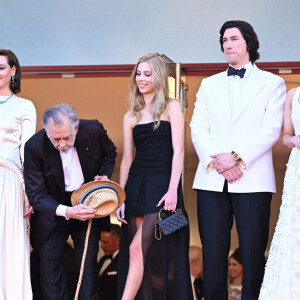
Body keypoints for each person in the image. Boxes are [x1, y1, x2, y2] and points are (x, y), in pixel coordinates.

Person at [190, 20, 286, 300]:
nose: (227, 44)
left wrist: (236, 159)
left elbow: (270, 129)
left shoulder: (273, 83)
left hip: (252, 179)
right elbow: (198, 128)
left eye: (233, 39)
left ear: (249, 43)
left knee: (253, 252)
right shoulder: (208, 84)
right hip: (211, 179)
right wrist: (220, 162)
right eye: (224, 40)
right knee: (213, 252)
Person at [116, 53, 192, 300]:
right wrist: (120, 197)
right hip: (137, 185)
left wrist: (173, 190)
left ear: (158, 77)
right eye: (138, 73)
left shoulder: (172, 106)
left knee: (139, 247)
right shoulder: (130, 115)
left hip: (162, 186)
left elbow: (179, 151)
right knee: (141, 254)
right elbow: (127, 158)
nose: (141, 78)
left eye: (147, 74)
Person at [23, 103, 117, 300]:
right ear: (46, 132)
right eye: (55, 139)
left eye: (66, 137)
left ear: (76, 128)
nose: (62, 144)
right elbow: (36, 193)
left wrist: (104, 174)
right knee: (49, 265)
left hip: (87, 204)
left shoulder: (93, 130)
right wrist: (66, 211)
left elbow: (110, 153)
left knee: (88, 264)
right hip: (53, 208)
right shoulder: (34, 146)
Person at [0, 49, 36, 300]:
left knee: (10, 246)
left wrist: (29, 192)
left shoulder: (24, 106)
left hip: (10, 179)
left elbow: (29, 152)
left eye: (1, 67)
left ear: (13, 71)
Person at [259, 87, 300, 299]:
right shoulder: (293, 94)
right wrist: (294, 141)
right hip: (298, 166)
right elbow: (286, 136)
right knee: (294, 225)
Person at [97, 224, 121, 300]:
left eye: (106, 242)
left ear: (118, 241)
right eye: (101, 241)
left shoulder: (125, 261)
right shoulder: (102, 259)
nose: (101, 246)